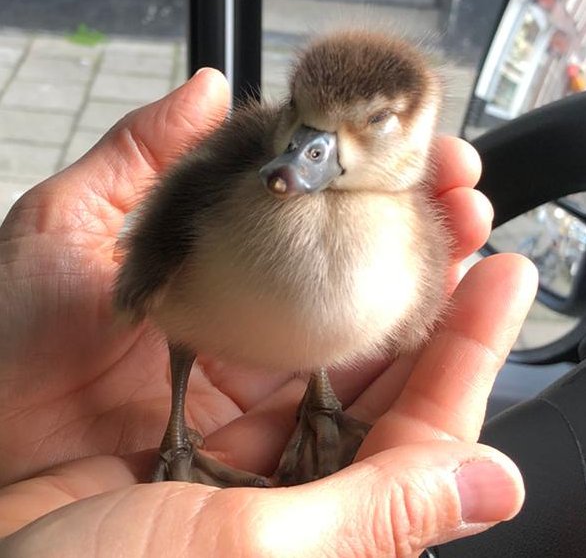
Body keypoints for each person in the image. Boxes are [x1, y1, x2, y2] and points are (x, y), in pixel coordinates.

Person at [0, 68, 537, 557]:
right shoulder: (228, 193)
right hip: (186, 325)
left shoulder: (411, 245)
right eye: (302, 119)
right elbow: (156, 257)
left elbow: (411, 315)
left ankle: (320, 398)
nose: (309, 149)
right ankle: (177, 440)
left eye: (372, 121)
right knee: (194, 324)